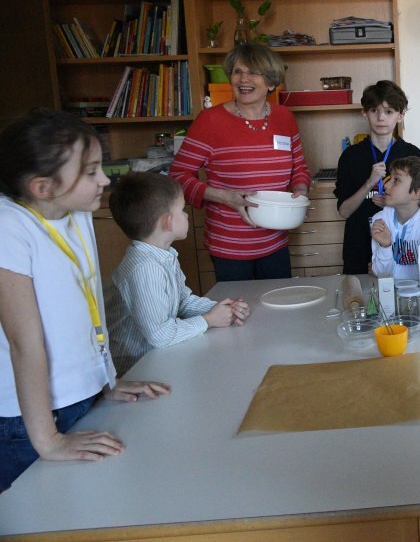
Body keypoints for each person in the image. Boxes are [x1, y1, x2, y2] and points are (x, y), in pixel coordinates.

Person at [0, 109, 170, 491]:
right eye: (91, 172)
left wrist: (107, 380)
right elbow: (24, 344)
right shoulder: (8, 227)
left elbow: (86, 308)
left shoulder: (76, 212)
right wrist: (48, 440)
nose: (104, 180)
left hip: (83, 396)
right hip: (31, 421)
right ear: (43, 187)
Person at [169, 43, 310, 281]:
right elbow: (177, 176)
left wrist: (301, 189)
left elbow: (299, 167)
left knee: (278, 302)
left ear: (271, 82)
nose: (243, 79)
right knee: (238, 305)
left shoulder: (284, 117)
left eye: (253, 72)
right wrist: (223, 196)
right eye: (237, 71)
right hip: (229, 246)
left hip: (275, 240)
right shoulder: (210, 121)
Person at [105, 172, 250, 373]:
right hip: (136, 369)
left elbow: (182, 302)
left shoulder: (163, 256)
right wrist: (208, 320)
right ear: (168, 222)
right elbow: (159, 335)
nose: (187, 215)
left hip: (158, 357)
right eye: (182, 210)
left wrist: (223, 309)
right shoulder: (146, 269)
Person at [335, 80, 420, 274]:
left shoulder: (412, 155)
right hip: (359, 245)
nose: (381, 117)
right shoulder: (350, 156)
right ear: (364, 113)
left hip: (401, 246)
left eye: (389, 111)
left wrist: (393, 203)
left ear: (400, 115)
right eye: (374, 110)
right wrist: (369, 183)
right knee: (358, 292)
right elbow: (344, 212)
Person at [370, 157, 420, 280]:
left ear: (417, 193)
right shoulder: (381, 219)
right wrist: (385, 246)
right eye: (390, 178)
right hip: (391, 291)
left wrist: (395, 272)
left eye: (396, 180)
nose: (386, 185)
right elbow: (381, 273)